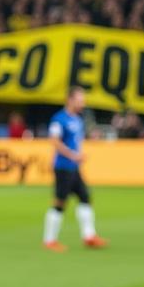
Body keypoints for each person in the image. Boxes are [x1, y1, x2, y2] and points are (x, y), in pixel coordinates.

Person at [43, 87, 108, 252]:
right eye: (80, 100)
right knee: (60, 203)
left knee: (85, 197)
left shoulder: (78, 120)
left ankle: (89, 236)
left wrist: (92, 137)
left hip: (74, 168)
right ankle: (49, 240)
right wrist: (73, 155)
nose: (82, 103)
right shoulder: (59, 119)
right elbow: (54, 141)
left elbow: (75, 140)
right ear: (70, 100)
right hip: (63, 167)